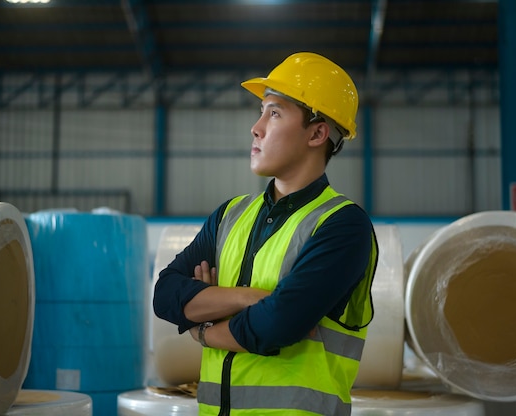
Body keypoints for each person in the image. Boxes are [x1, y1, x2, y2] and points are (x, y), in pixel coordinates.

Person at [153, 51, 378, 416]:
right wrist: (248, 298)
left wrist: (202, 328)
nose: (256, 128)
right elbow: (165, 296)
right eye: (261, 111)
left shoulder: (342, 225)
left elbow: (277, 324)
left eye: (274, 113)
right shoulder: (230, 215)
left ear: (318, 132)